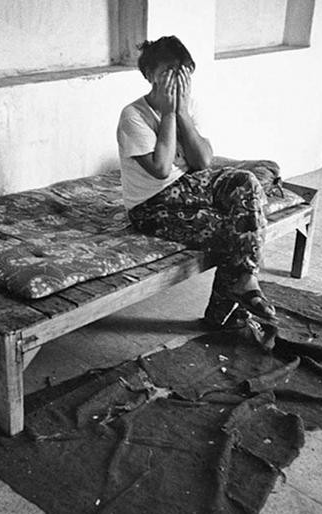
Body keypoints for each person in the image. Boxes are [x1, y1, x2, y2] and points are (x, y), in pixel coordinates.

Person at [116, 35, 279, 340]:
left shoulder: (189, 107)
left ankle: (245, 280)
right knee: (234, 228)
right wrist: (168, 113)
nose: (178, 80)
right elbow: (161, 169)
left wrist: (181, 114)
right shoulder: (133, 116)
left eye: (183, 72)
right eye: (169, 72)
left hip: (189, 185)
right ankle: (224, 315)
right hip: (151, 205)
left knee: (247, 182)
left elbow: (203, 161)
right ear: (150, 75)